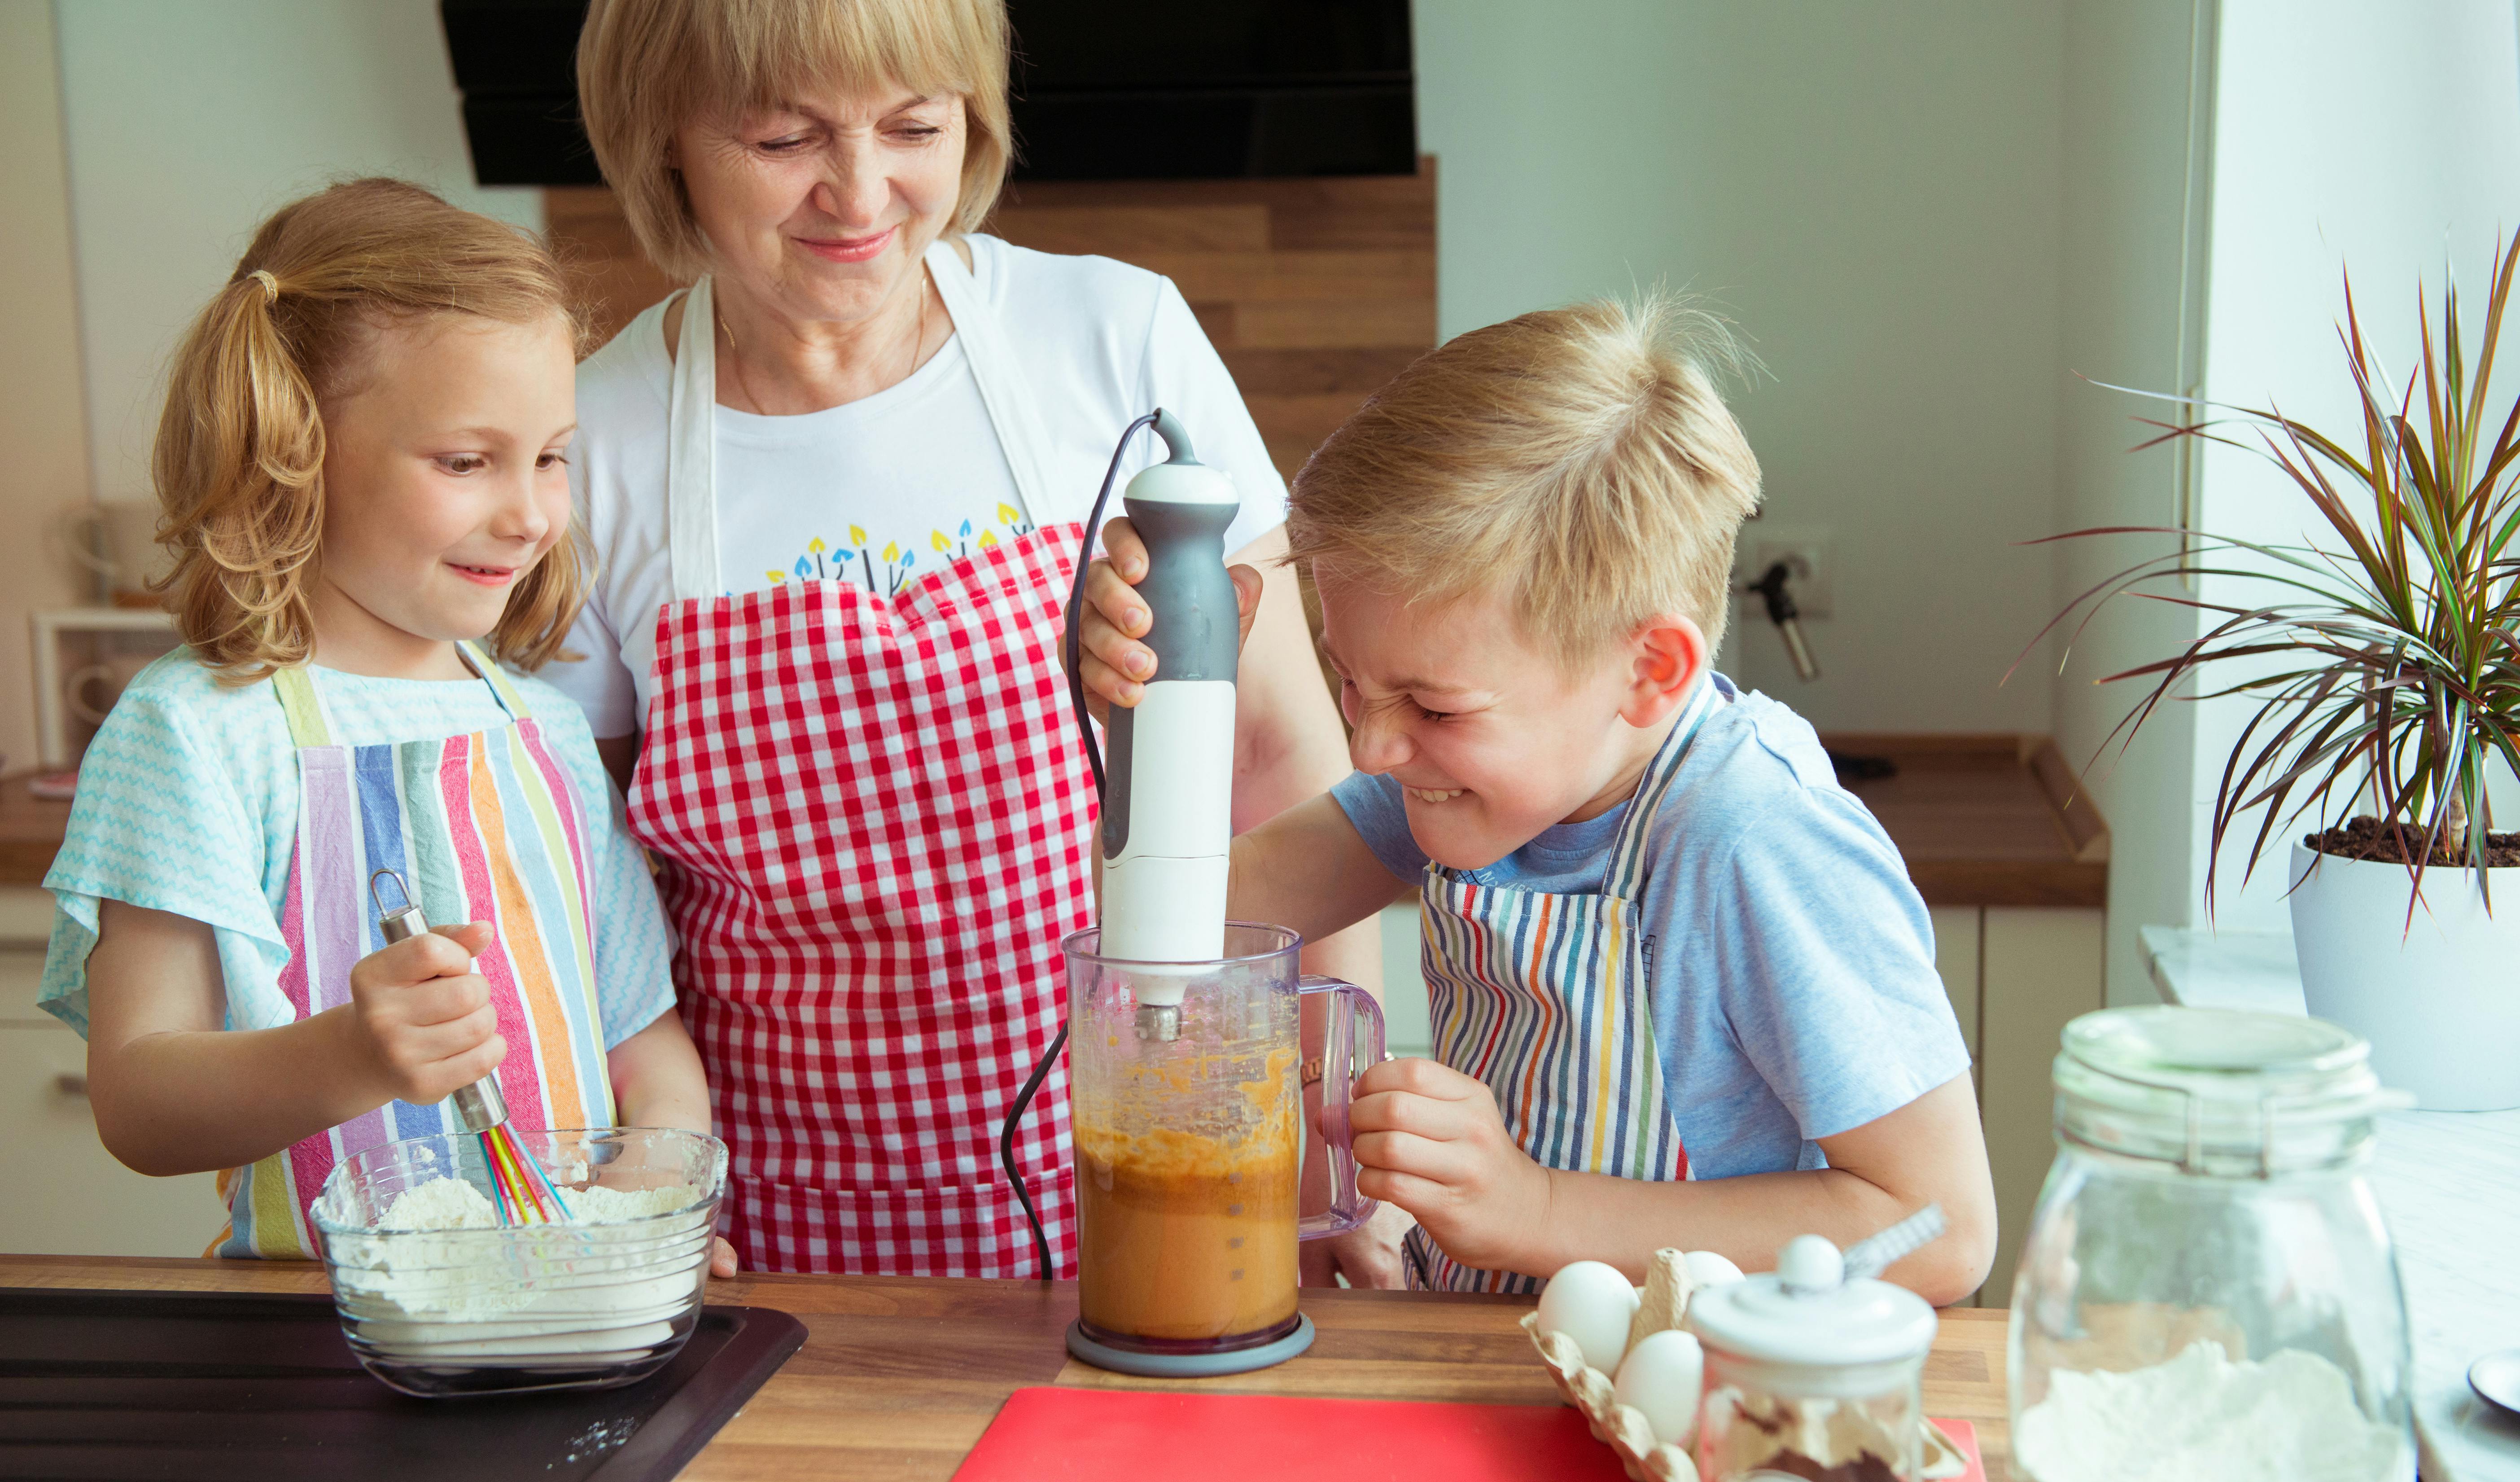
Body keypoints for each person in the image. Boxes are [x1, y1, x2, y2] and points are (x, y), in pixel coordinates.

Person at [556, 0, 1389, 1280]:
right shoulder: (590, 440)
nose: (860, 191)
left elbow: (1283, 759)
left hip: (1161, 1162)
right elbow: (593, 894)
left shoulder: (1115, 340)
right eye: (785, 138)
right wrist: (648, 1183)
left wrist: (1325, 1145)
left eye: (914, 126)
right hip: (781, 1220)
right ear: (662, 136)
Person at [1077, 296, 1997, 1302]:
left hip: (1677, 1412)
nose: (1374, 744)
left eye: (1431, 702)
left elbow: (1941, 1228)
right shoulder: (1463, 777)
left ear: (1648, 670)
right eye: (1352, 681)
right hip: (1486, 1367)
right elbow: (1182, 917)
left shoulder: (1753, 841)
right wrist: (1169, 703)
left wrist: (1537, 1209)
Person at [39, 179, 731, 1273]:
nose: (532, 514)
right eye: (467, 461)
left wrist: (647, 1203)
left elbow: (644, 1046)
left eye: (550, 454)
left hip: (569, 1314)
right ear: (294, 449)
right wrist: (352, 1054)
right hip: (314, 1349)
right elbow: (138, 1099)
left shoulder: (544, 729)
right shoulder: (198, 732)